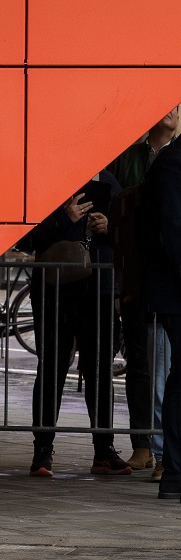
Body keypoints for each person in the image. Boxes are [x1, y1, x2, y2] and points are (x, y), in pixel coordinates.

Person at [22, 172, 131, 477]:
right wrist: (64, 218)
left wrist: (109, 229)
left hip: (98, 290)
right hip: (54, 291)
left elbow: (129, 235)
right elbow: (25, 238)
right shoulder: (47, 179)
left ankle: (104, 451)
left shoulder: (110, 183)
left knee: (98, 370)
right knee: (52, 367)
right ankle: (42, 451)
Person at [108, 105, 179, 478]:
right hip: (146, 276)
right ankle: (150, 446)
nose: (170, 111)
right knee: (145, 363)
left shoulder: (168, 160)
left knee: (163, 367)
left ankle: (163, 451)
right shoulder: (136, 158)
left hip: (155, 277)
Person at [140, 133, 181, 501]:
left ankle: (174, 469)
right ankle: (174, 470)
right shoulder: (171, 164)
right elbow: (173, 232)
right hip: (176, 294)